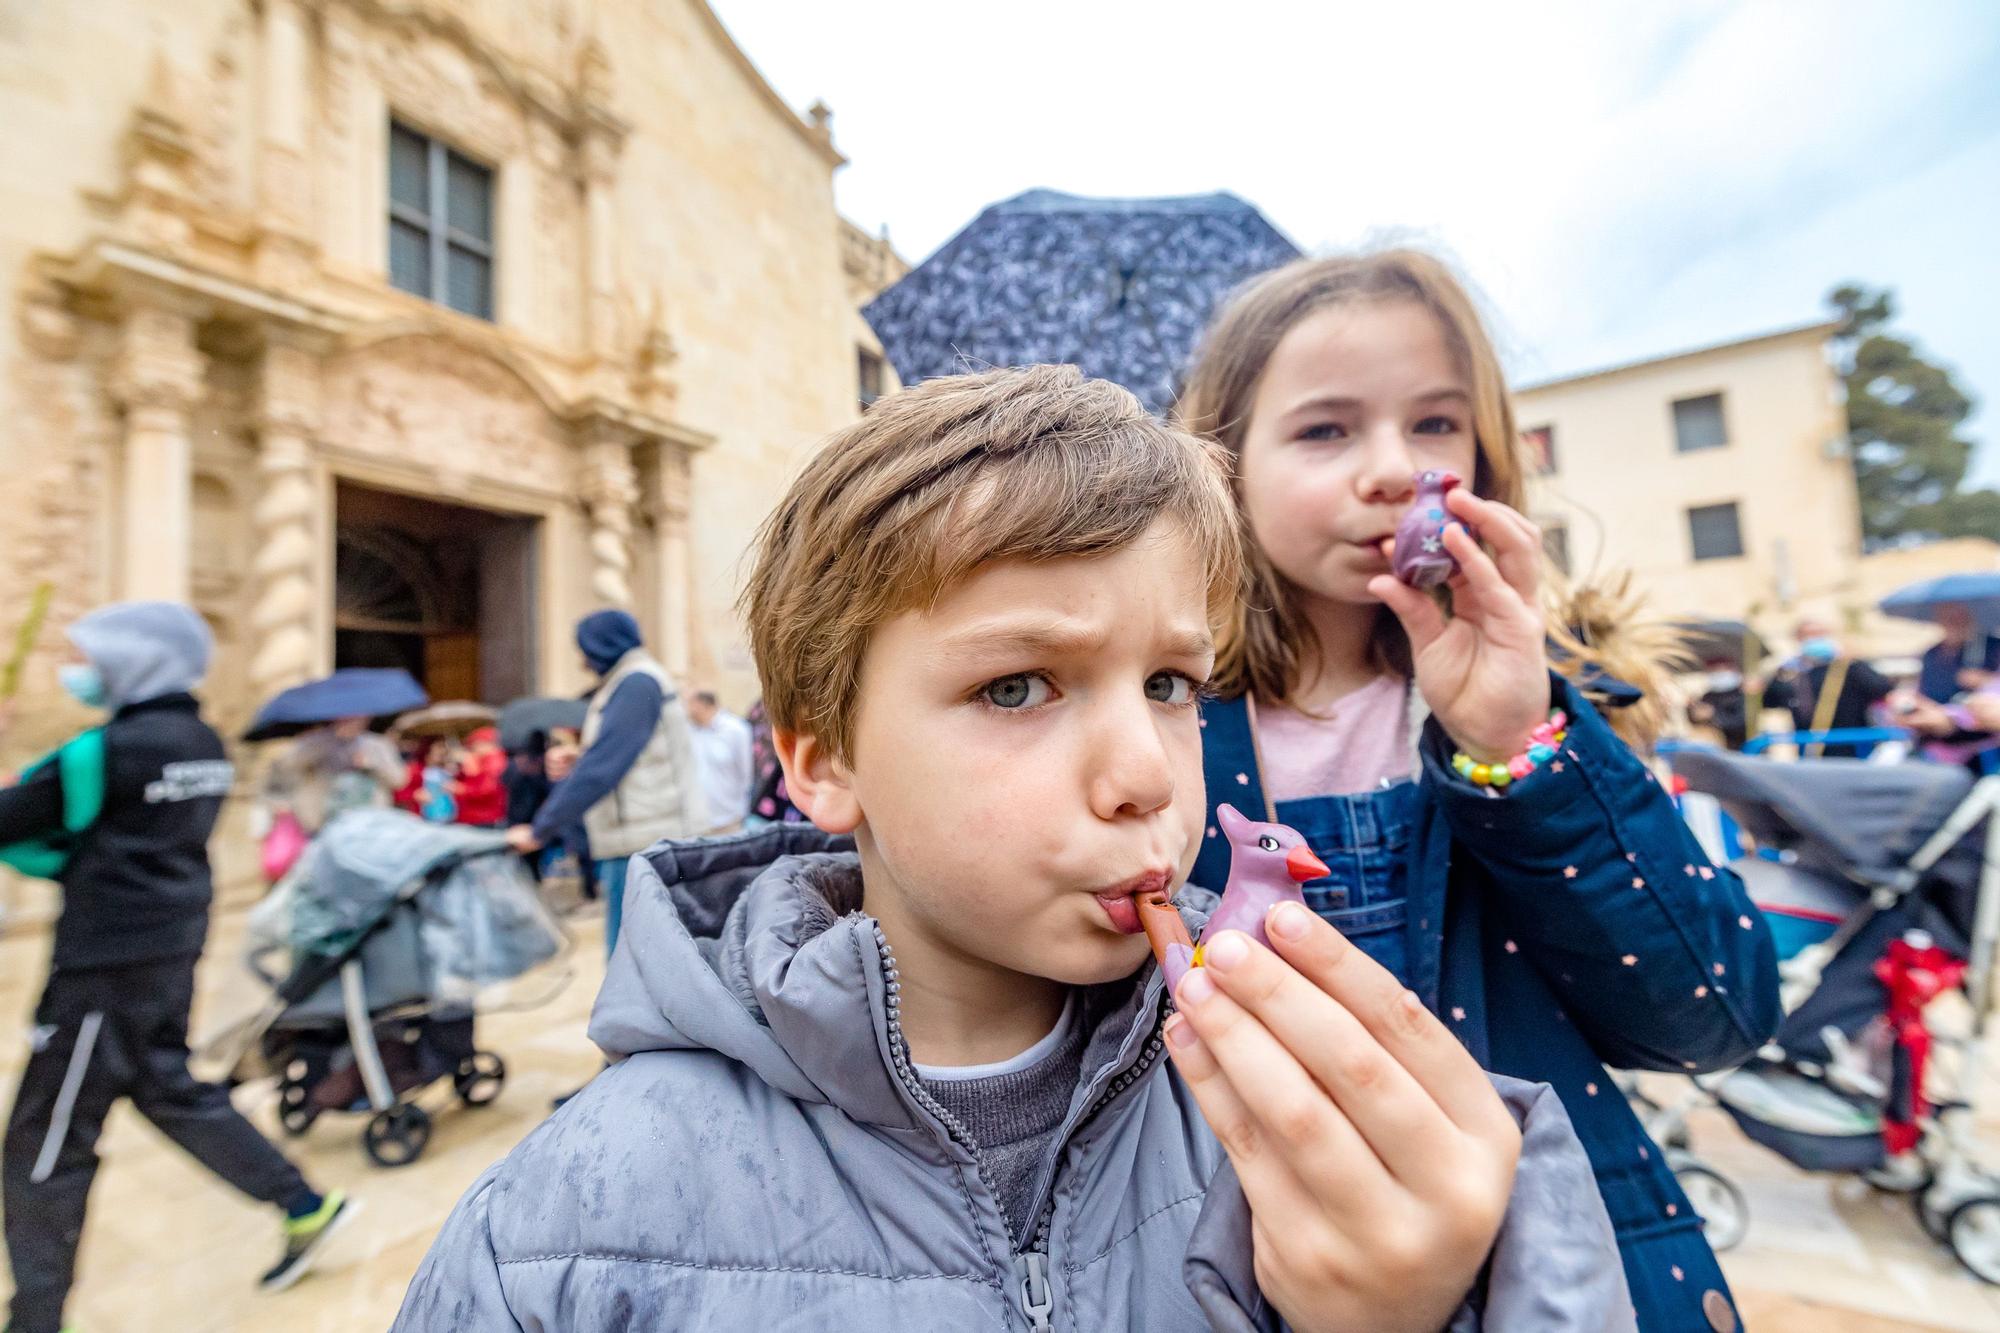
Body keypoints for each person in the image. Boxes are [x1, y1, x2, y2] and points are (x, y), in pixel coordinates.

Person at [397, 367, 1633, 1331]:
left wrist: (1421, 1308)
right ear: (822, 760)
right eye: (1015, 688)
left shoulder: (1308, 1113)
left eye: (1167, 683)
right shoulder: (568, 1218)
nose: (1145, 771)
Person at [1175, 251, 1780, 1332]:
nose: (1391, 469)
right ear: (1222, 464)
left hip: (1558, 1264)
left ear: (1487, 454)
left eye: (1434, 425)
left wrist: (1515, 743)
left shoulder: (1546, 707)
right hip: (1250, 1267)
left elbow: (1711, 1014)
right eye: (1323, 430)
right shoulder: (1162, 720)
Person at [1, 602, 353, 1333]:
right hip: (170, 946)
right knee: (167, 1087)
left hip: (101, 963)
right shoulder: (207, 743)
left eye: (97, 660)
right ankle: (303, 1203)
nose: (85, 674)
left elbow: (23, 827)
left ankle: (35, 1316)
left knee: (47, 1138)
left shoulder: (101, 751)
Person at [505, 610, 702, 957]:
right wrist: (578, 757)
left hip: (643, 842)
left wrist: (541, 829)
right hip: (634, 839)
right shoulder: (626, 682)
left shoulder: (636, 683)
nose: (583, 662)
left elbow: (604, 766)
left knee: (633, 961)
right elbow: (627, 755)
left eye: (585, 650)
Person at [1762, 617, 1896, 757]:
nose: (1815, 639)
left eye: (1820, 634)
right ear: (1798, 639)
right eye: (1809, 635)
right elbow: (1769, 701)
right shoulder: (1791, 672)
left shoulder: (1847, 667)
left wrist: (1855, 663)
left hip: (1853, 745)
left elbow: (1881, 688)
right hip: (1811, 747)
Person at [263, 714, 405, 835]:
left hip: (371, 822)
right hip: (325, 822)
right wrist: (325, 742)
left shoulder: (378, 745)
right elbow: (287, 765)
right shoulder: (316, 741)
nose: (352, 719)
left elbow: (399, 780)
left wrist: (372, 764)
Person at [685, 688, 754, 833]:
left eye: (690, 704)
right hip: (696, 823)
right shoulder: (690, 730)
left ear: (702, 705)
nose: (686, 709)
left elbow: (746, 775)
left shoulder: (736, 730)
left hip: (728, 820)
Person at [1918, 602, 2000, 703]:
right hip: (1937, 711)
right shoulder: (1932, 653)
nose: (1955, 622)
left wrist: (1988, 681)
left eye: (1959, 616)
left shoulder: (1993, 646)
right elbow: (1926, 691)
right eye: (1948, 618)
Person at [450, 726, 509, 827]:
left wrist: (463, 789)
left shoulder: (494, 760)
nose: (473, 748)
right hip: (472, 816)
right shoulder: (478, 760)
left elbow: (488, 788)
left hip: (485, 818)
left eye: (475, 744)